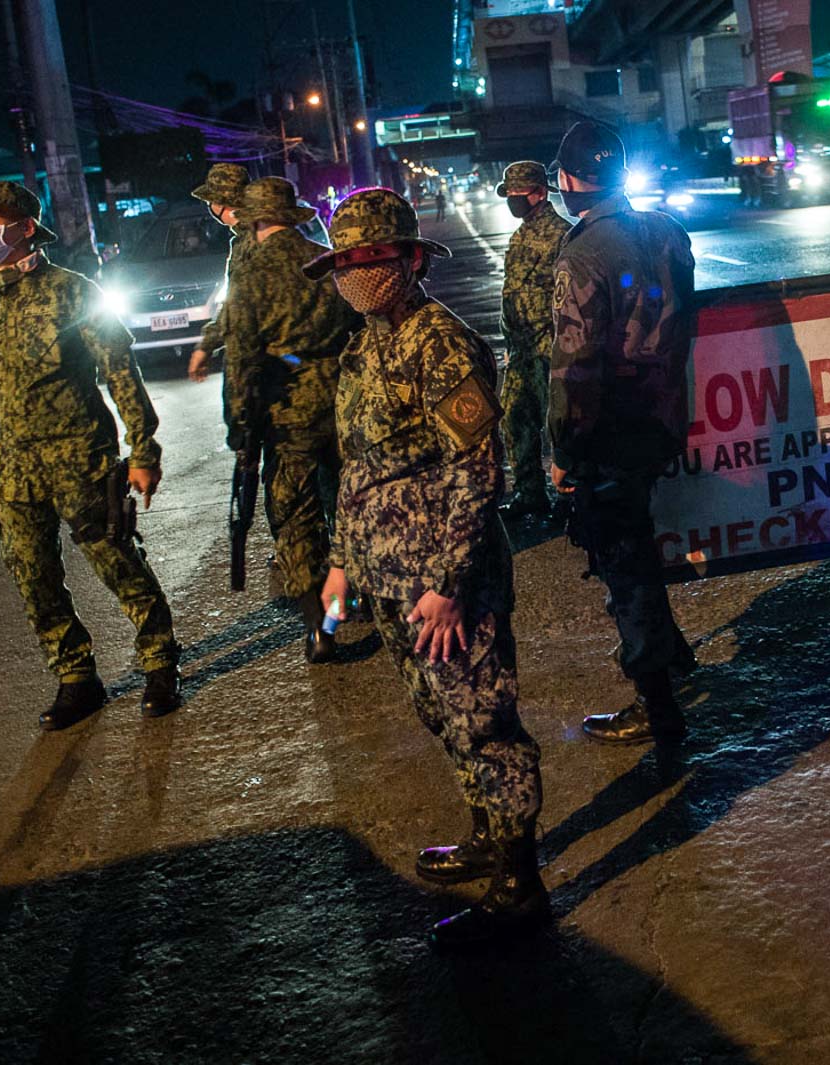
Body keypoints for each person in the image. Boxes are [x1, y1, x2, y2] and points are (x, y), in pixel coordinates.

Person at [307, 188, 545, 949]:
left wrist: (447, 584)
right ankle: (483, 837)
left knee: (483, 719)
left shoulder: (440, 342)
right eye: (345, 262)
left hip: (445, 581)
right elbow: (358, 468)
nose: (357, 274)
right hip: (383, 575)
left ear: (411, 259)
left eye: (372, 259)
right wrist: (342, 563)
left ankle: (521, 878)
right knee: (441, 716)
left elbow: (479, 470)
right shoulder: (364, 344)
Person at [0, 181, 181, 730]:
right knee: (34, 578)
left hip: (81, 463)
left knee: (118, 563)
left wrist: (143, 448)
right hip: (9, 471)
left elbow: (120, 372)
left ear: (24, 227)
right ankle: (76, 677)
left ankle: (160, 662)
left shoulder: (72, 291)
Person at [548, 120, 698, 746]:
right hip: (663, 417)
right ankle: (673, 656)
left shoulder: (582, 253)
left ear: (565, 182)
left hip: (609, 432)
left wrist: (563, 451)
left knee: (625, 565)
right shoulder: (668, 231)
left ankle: (658, 705)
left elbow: (575, 366)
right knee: (636, 546)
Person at [218, 177, 362, 663]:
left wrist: (239, 427)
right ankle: (363, 594)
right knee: (354, 501)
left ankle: (322, 626)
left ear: (255, 220)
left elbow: (241, 358)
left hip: (287, 410)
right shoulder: (327, 259)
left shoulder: (250, 273)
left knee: (296, 520)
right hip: (344, 398)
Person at [495, 160, 573, 519]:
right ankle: (530, 492)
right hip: (522, 348)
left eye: (518, 194)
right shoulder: (522, 233)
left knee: (557, 425)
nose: (513, 200)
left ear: (540, 193)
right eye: (509, 194)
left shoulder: (562, 235)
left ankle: (571, 496)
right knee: (514, 417)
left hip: (551, 347)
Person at [186, 164, 253, 386]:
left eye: (209, 202)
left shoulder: (250, 242)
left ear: (219, 204)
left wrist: (205, 346)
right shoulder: (252, 235)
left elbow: (235, 305)